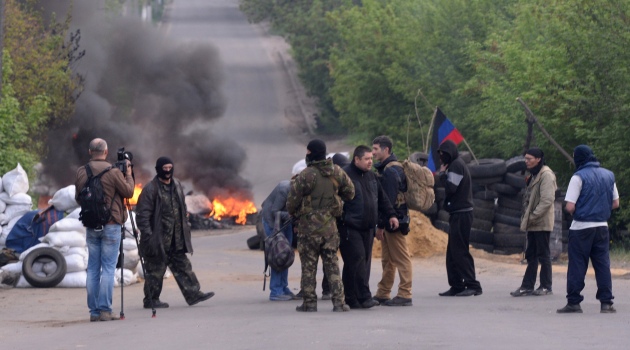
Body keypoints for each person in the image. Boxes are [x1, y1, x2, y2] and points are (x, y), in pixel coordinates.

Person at [136, 157, 215, 309]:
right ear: (158, 169)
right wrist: (149, 236)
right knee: (155, 271)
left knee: (184, 266)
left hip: (176, 238)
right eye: (164, 168)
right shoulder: (151, 189)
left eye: (170, 167)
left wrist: (186, 223)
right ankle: (151, 300)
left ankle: (194, 294)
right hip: (158, 239)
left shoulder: (177, 184)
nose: (167, 171)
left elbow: (182, 207)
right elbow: (143, 215)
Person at [287, 139, 355, 312]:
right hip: (330, 228)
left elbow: (291, 203)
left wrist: (298, 213)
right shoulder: (337, 172)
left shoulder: (306, 175)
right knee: (332, 264)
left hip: (308, 229)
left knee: (308, 266)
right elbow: (351, 192)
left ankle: (309, 303)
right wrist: (335, 200)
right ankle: (339, 303)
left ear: (310, 153)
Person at [75, 138, 135, 322]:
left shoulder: (81, 171)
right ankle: (105, 310)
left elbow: (79, 198)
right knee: (108, 268)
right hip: (111, 224)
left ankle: (94, 312)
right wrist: (129, 174)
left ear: (89, 151)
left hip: (91, 224)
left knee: (93, 268)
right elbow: (129, 192)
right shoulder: (114, 171)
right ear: (106, 152)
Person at [557, 145, 620, 314]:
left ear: (579, 158)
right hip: (602, 227)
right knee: (602, 264)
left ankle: (574, 302)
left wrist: (580, 210)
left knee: (577, 264)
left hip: (581, 227)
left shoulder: (578, 177)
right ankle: (606, 303)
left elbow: (570, 206)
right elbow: (615, 203)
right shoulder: (608, 175)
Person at [339, 145, 399, 309]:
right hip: (350, 226)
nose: (370, 162)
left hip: (368, 227)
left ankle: (359, 297)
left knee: (363, 261)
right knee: (355, 259)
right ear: (356, 159)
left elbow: (382, 199)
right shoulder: (345, 176)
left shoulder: (372, 176)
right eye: (366, 159)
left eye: (371, 159)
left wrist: (391, 215)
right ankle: (356, 297)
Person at [371, 136, 413, 306]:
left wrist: (381, 225)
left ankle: (405, 293)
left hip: (395, 220)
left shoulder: (390, 171)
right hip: (392, 219)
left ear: (385, 150)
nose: (373, 153)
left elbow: (387, 201)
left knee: (401, 258)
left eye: (375, 149)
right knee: (387, 259)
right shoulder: (390, 168)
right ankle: (383, 292)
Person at [437, 139, 482, 297]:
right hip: (457, 213)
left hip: (462, 213)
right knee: (452, 252)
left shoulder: (456, 165)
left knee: (460, 250)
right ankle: (456, 285)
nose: (441, 157)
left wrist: (442, 175)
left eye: (443, 154)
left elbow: (451, 188)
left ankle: (473, 285)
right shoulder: (455, 164)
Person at [510, 148, 557, 297]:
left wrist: (533, 216)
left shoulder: (547, 175)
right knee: (531, 254)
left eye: (529, 159)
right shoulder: (534, 175)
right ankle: (527, 286)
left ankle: (546, 286)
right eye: (525, 159)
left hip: (541, 222)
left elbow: (547, 200)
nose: (526, 161)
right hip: (533, 222)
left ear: (538, 159)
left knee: (543, 254)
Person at [261, 180, 298, 301]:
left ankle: (283, 287)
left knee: (286, 254)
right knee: (279, 254)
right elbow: (274, 211)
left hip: (285, 222)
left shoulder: (301, 191)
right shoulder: (284, 189)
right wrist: (291, 215)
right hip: (272, 222)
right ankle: (276, 291)